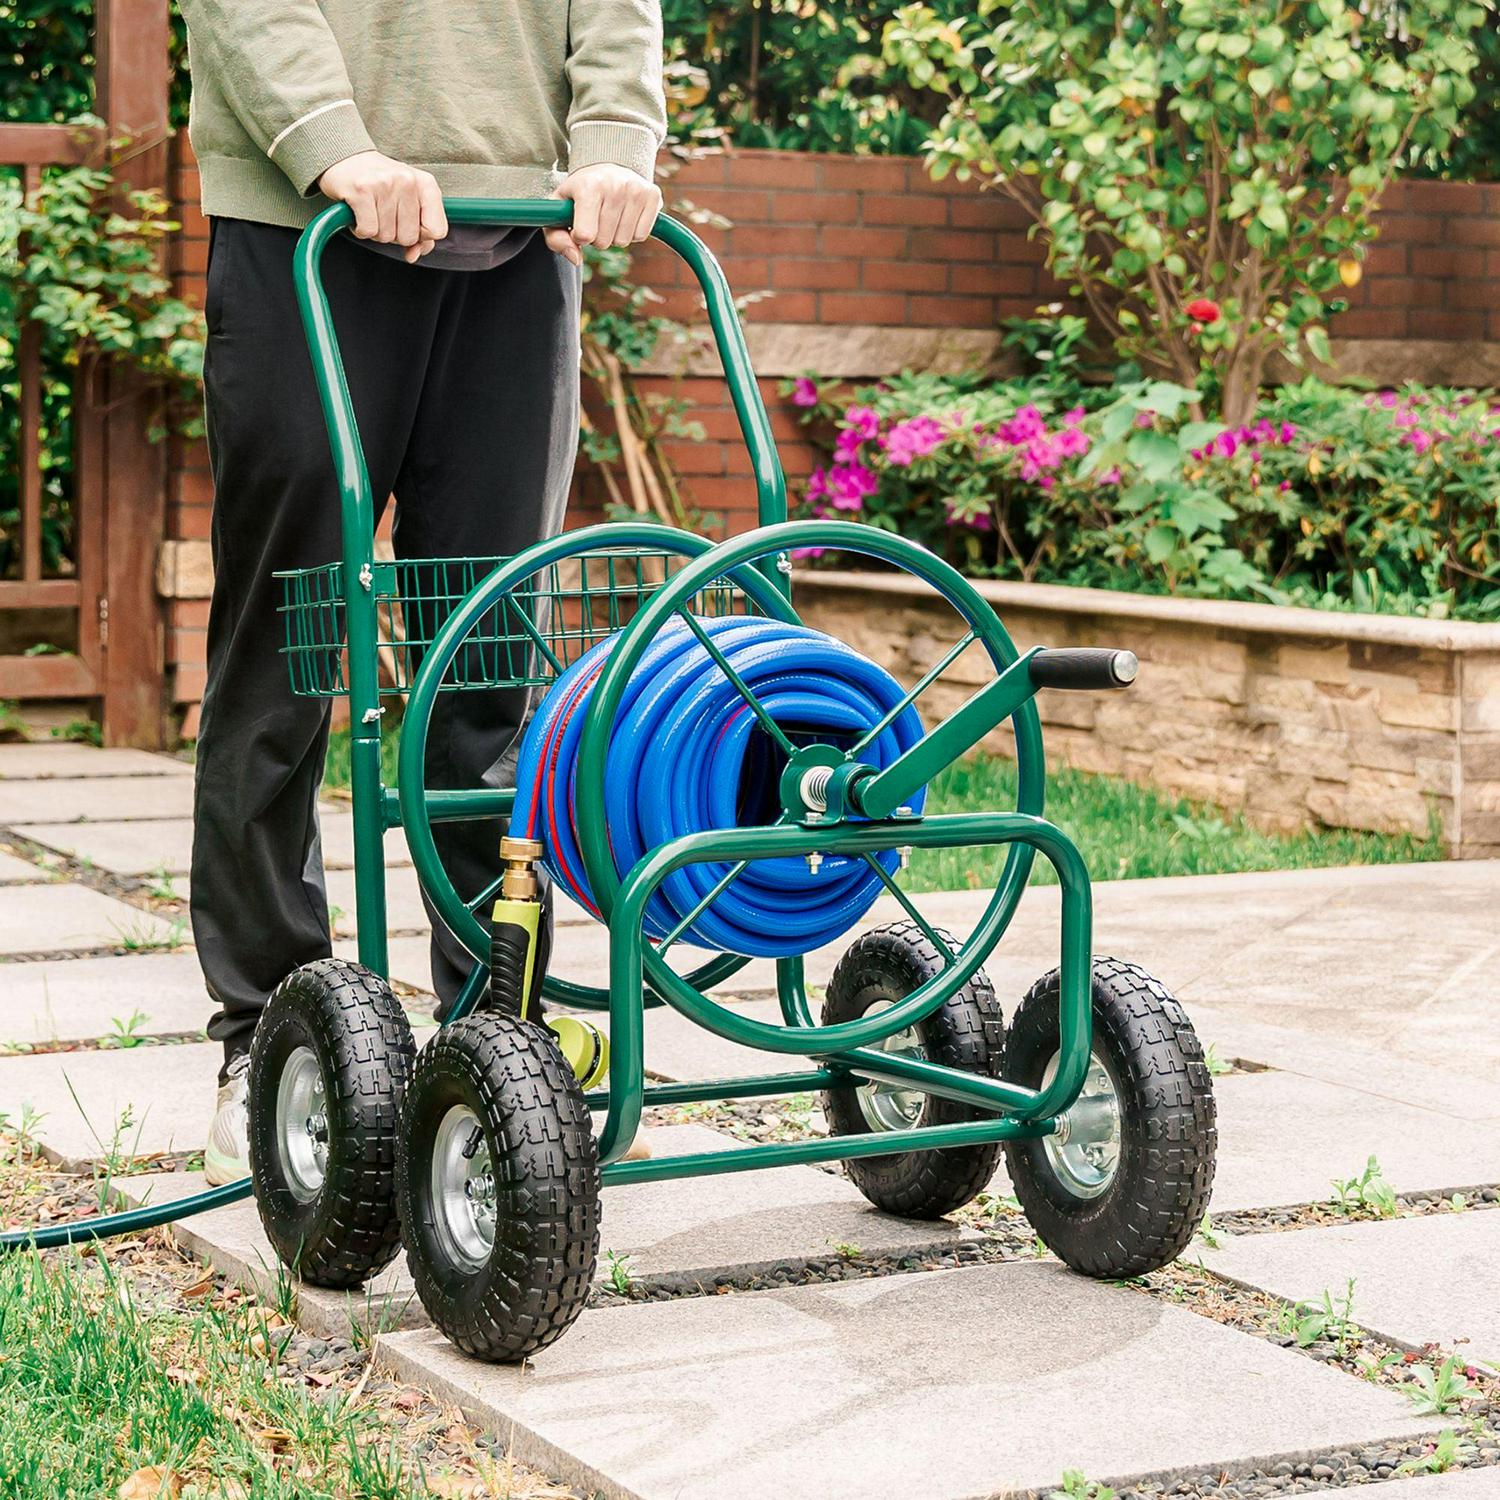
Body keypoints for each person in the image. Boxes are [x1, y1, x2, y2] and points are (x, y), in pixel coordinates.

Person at [178, 0, 666, 1185]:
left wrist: (614, 140)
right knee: (287, 654)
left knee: (491, 659)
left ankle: (495, 1036)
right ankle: (269, 1037)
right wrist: (332, 144)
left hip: (522, 234)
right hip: (308, 219)